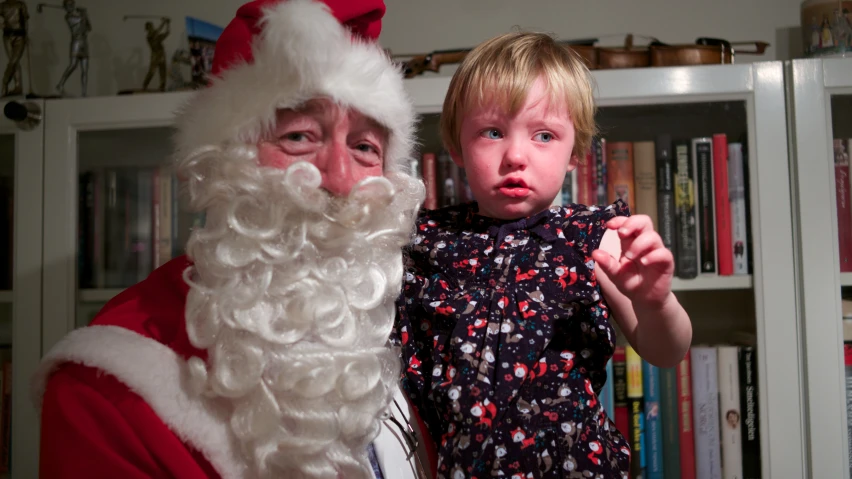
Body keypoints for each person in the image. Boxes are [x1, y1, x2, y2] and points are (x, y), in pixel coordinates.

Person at [32, 0, 435, 478]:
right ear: (227, 159)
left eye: (365, 147)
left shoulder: (396, 335)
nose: (341, 180)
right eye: (300, 136)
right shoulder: (109, 389)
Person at [394, 31, 693, 478]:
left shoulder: (595, 237)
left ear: (575, 152)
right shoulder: (426, 243)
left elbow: (667, 350)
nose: (516, 155)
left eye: (544, 135)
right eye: (492, 132)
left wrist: (655, 303)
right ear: (456, 145)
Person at [0, 0, 28, 97]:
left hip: (20, 36)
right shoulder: (3, 5)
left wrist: (26, 35)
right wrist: (1, 24)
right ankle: (18, 86)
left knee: (14, 61)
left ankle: (5, 82)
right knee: (13, 62)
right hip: (7, 36)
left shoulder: (20, 4)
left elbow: (25, 20)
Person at [142, 17, 169, 91]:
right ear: (147, 29)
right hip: (155, 56)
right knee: (152, 72)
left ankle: (162, 87)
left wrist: (168, 24)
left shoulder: (157, 36)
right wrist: (164, 22)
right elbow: (158, 30)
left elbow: (167, 33)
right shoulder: (149, 36)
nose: (152, 28)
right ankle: (145, 85)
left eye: (152, 26)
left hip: (161, 55)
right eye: (150, 27)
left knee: (163, 72)